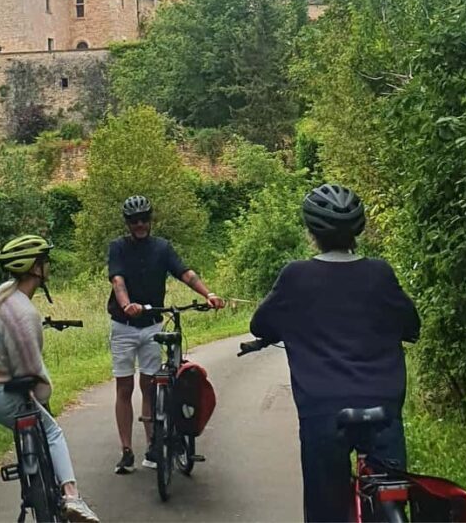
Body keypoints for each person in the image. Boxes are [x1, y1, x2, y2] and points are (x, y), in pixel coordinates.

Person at [249, 184, 421, 522]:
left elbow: (260, 325)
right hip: (382, 406)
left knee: (326, 508)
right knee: (389, 496)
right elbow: (410, 325)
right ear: (358, 229)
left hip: (323, 411)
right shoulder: (380, 274)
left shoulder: (295, 276)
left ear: (311, 231)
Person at [0, 235, 99, 523]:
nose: (48, 266)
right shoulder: (24, 313)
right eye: (44, 260)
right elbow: (31, 373)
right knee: (52, 431)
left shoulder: (1, 293)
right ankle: (71, 496)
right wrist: (44, 397)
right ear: (35, 268)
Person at [108, 195, 225, 474]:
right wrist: (126, 306)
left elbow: (185, 273)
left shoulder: (162, 247)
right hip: (123, 326)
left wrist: (208, 293)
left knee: (150, 385)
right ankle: (126, 450)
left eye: (144, 219)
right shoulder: (118, 248)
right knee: (125, 387)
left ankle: (153, 443)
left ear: (150, 219)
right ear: (128, 223)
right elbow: (117, 279)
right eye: (134, 220)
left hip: (152, 325)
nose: (140, 224)